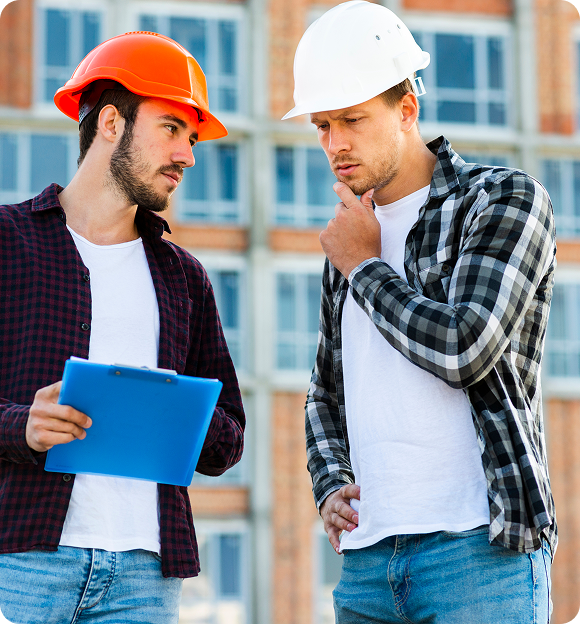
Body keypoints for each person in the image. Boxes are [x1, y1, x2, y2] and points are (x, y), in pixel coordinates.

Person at [283, 2, 557, 622]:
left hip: (481, 557)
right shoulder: (351, 237)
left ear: (406, 108)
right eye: (322, 126)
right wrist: (330, 483)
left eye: (351, 119)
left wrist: (365, 266)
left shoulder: (502, 199)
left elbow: (467, 346)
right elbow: (325, 393)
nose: (335, 144)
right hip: (366, 567)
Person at [0, 32, 244, 624]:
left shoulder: (185, 277)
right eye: (171, 129)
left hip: (143, 574)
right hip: (20, 562)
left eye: (192, 139)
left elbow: (229, 438)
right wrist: (19, 427)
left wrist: (172, 413)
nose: (187, 154)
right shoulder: (8, 242)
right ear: (111, 122)